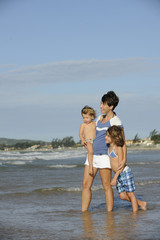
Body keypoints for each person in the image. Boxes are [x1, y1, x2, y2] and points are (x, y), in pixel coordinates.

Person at [81, 91, 126, 212]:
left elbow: (123, 142)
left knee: (106, 186)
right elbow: (89, 130)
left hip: (105, 157)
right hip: (92, 156)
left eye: (103, 104)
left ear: (111, 106)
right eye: (101, 103)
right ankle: (84, 213)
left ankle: (109, 214)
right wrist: (84, 139)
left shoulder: (116, 122)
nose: (100, 106)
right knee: (85, 185)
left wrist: (124, 159)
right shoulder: (99, 119)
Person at [105, 125, 147, 212]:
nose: (106, 137)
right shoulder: (109, 147)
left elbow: (121, 165)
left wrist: (114, 178)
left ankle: (135, 213)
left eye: (108, 136)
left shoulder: (118, 148)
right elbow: (95, 141)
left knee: (130, 194)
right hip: (118, 175)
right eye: (106, 135)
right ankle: (141, 203)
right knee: (122, 196)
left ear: (114, 137)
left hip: (123, 172)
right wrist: (86, 140)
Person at [79, 106, 96, 176]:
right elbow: (80, 134)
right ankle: (90, 167)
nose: (85, 119)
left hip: (95, 141)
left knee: (94, 152)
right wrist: (82, 140)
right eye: (83, 117)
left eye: (87, 117)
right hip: (87, 141)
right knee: (91, 151)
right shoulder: (83, 125)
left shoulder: (95, 123)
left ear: (92, 116)